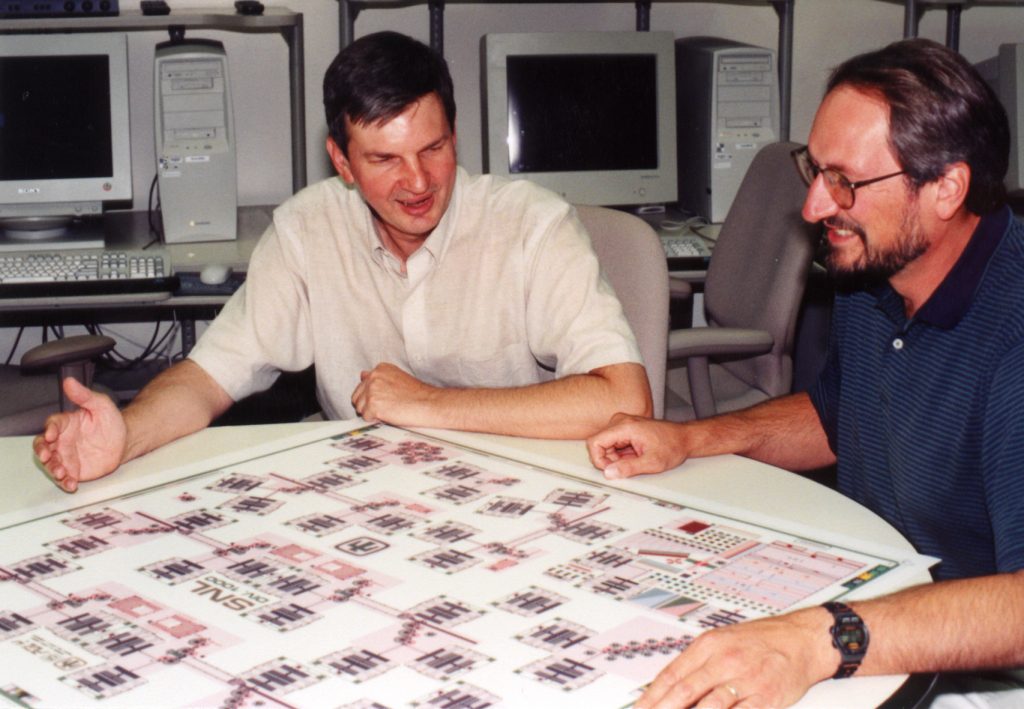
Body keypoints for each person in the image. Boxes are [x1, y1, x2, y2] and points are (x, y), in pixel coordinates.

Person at [587, 38, 1024, 708]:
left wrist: (822, 640)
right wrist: (689, 438)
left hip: (988, 673)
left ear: (946, 188)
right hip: (885, 620)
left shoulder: (1014, 328)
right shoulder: (874, 269)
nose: (815, 207)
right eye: (814, 171)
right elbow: (835, 415)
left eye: (845, 180)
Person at [34, 31, 651, 493]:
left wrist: (428, 405)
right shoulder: (306, 229)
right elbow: (208, 379)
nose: (418, 182)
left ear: (455, 134)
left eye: (432, 148)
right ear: (342, 161)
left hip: (521, 486)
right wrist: (129, 434)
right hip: (366, 497)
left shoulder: (534, 224)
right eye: (385, 160)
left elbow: (623, 399)